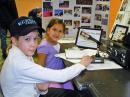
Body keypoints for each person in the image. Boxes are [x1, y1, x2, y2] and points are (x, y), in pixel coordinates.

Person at [0, 16, 92, 97]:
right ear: (14, 41)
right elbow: (61, 76)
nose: (33, 44)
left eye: (35, 38)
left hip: (33, 92)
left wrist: (41, 89)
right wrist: (82, 64)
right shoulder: (19, 62)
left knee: (73, 93)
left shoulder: (23, 52)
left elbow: (39, 86)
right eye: (27, 39)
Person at [37, 18, 74, 90]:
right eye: (54, 30)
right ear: (48, 30)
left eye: (60, 31)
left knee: (71, 90)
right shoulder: (44, 46)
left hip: (60, 75)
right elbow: (40, 68)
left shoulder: (56, 43)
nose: (57, 33)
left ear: (63, 34)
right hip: (51, 78)